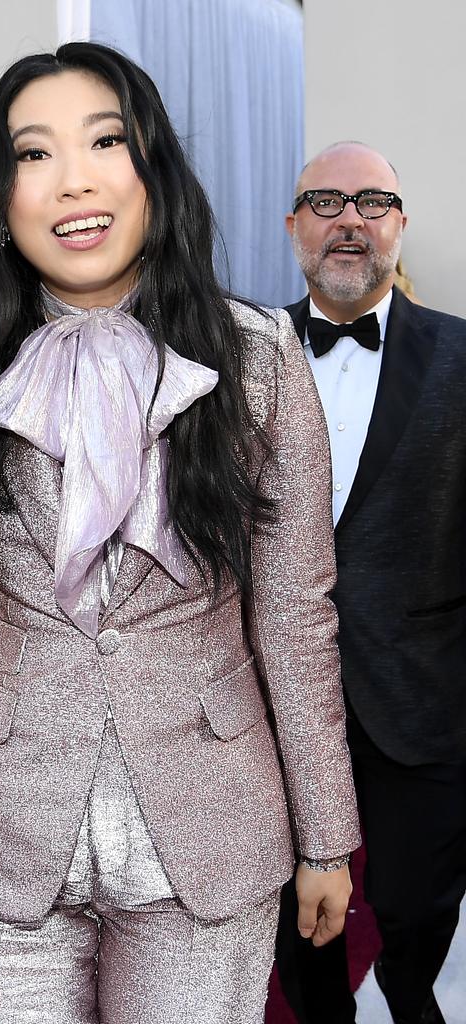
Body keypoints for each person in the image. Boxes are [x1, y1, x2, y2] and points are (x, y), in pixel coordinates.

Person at [0, 44, 360, 1024]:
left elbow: (295, 610)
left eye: (106, 139)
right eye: (35, 153)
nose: (74, 176)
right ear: (0, 198)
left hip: (208, 822)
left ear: (153, 167)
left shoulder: (259, 357)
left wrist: (327, 832)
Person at [276, 141, 466, 1024]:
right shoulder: (244, 355)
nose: (349, 218)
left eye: (373, 202)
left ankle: (407, 987)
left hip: (423, 691)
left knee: (421, 902)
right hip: (273, 699)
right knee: (293, 916)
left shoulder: (462, 357)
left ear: (399, 225)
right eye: (325, 200)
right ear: (293, 227)